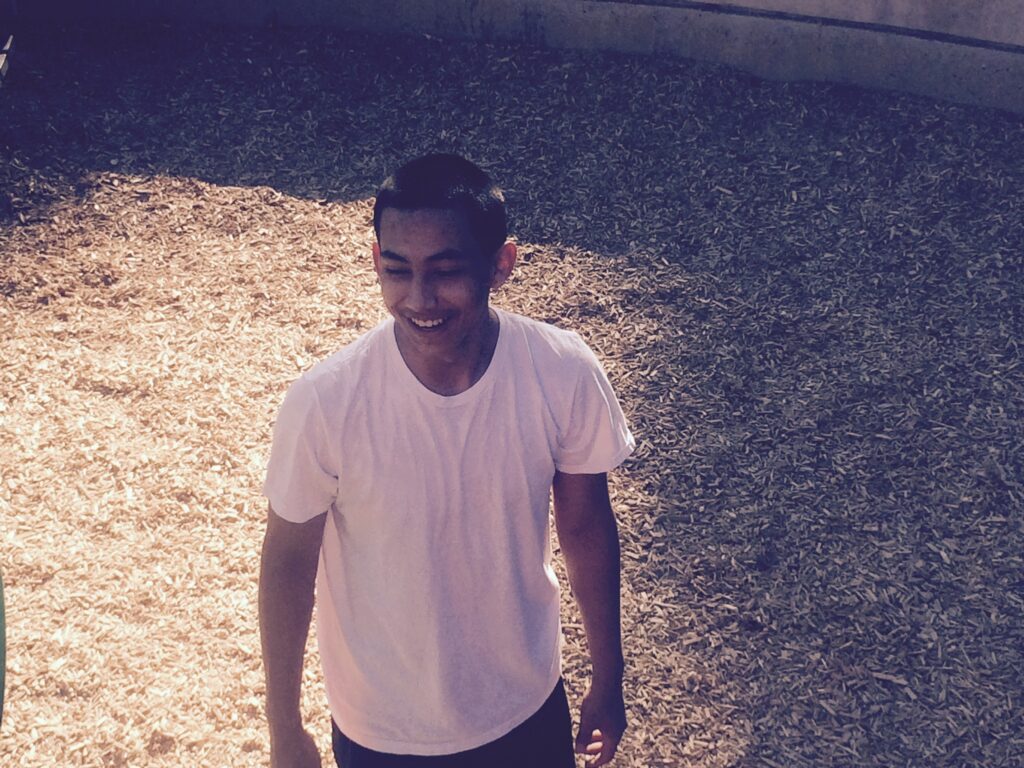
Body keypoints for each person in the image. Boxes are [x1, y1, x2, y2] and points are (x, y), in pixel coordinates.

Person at [259, 153, 635, 768]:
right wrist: (284, 727)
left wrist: (608, 677)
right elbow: (287, 562)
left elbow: (586, 526)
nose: (419, 297)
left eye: (445, 269)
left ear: (501, 264)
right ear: (376, 262)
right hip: (383, 732)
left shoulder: (562, 371)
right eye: (397, 270)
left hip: (527, 706)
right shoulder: (324, 403)